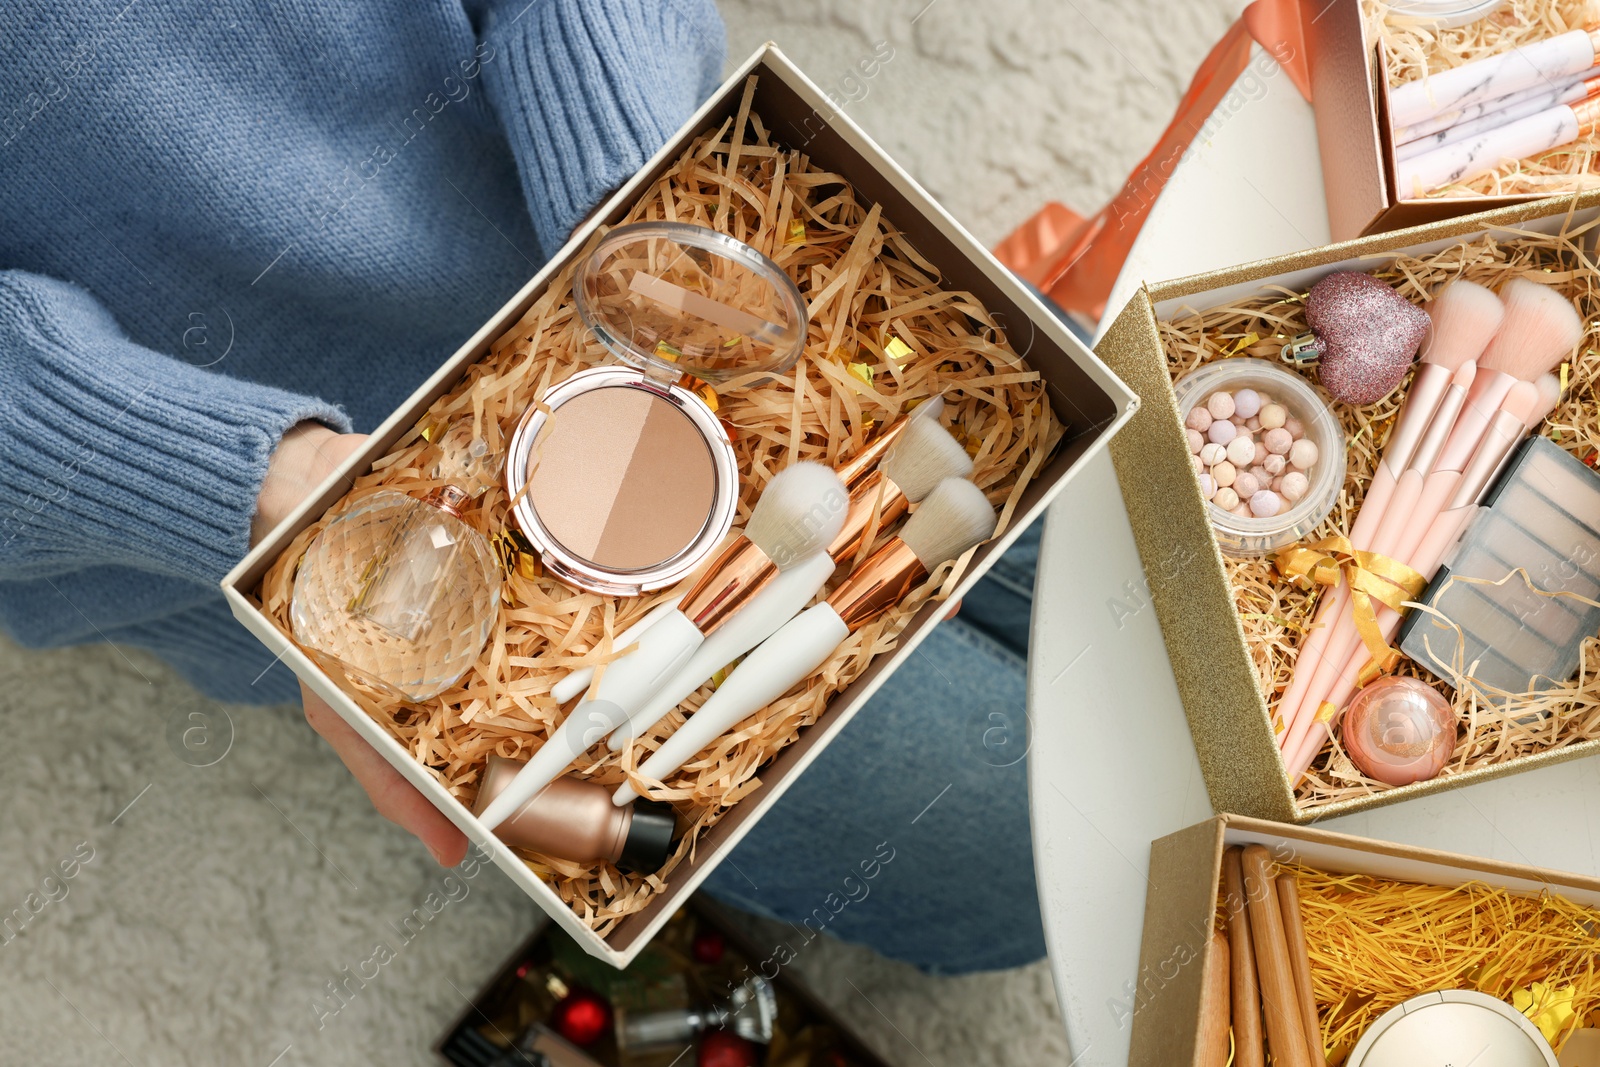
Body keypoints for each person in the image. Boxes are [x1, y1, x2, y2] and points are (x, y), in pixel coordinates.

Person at [0, 0, 1043, 973]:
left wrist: (632, 216)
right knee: (1016, 866)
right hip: (261, 501)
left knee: (1158, 537)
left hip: (644, 250)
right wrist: (281, 489)